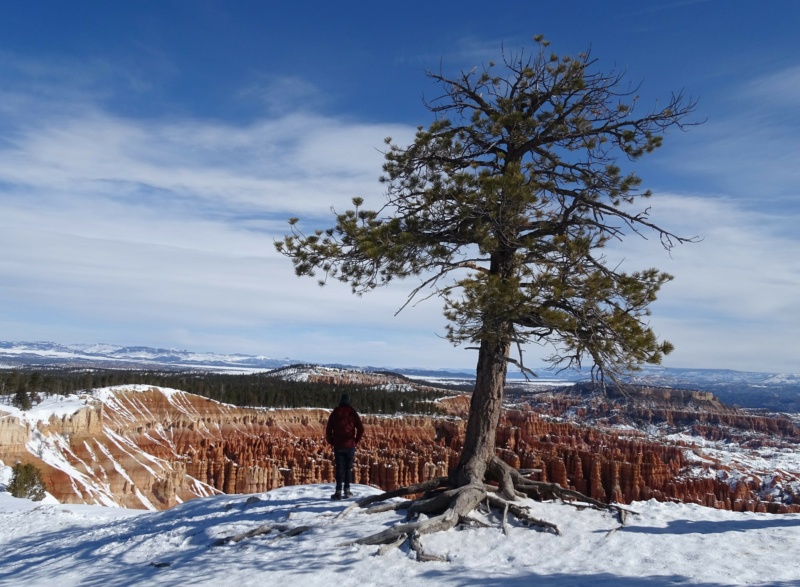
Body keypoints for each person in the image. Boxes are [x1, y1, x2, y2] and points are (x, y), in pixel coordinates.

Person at [325, 393, 364, 500]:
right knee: (348, 468)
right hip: (350, 445)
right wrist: (355, 440)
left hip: (338, 445)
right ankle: (347, 491)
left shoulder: (335, 413)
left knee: (339, 469)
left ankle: (338, 492)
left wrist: (332, 441)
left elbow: (328, 429)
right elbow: (361, 429)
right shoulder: (352, 413)